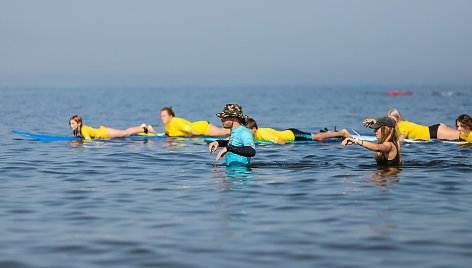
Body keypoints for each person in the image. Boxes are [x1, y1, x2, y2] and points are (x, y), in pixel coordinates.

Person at [363, 109, 459, 141]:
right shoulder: (395, 126)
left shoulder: (403, 125)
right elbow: (384, 124)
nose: (389, 121)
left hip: (436, 133)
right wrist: (374, 121)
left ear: (398, 119)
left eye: (392, 119)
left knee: (464, 136)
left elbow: (401, 139)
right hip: (435, 130)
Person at [245, 118, 352, 144]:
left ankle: (341, 132)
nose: (245, 133)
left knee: (318, 137)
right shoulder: (253, 133)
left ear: (254, 129)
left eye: (247, 131)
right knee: (319, 139)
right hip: (288, 132)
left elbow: (282, 142)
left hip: (293, 135)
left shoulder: (263, 134)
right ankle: (337, 135)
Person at [69, 115, 156, 140]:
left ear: (79, 123)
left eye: (73, 123)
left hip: (106, 133)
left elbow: (88, 141)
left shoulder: (83, 130)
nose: (71, 125)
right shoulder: (78, 129)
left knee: (126, 133)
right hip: (102, 130)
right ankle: (141, 127)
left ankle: (147, 129)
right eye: (70, 124)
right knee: (125, 132)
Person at [160, 106, 230, 137]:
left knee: (225, 132)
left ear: (170, 116)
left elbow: (191, 130)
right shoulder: (167, 125)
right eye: (161, 116)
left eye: (164, 116)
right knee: (224, 131)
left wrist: (199, 138)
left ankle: (238, 130)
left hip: (204, 128)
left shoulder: (176, 122)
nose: (162, 118)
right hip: (201, 128)